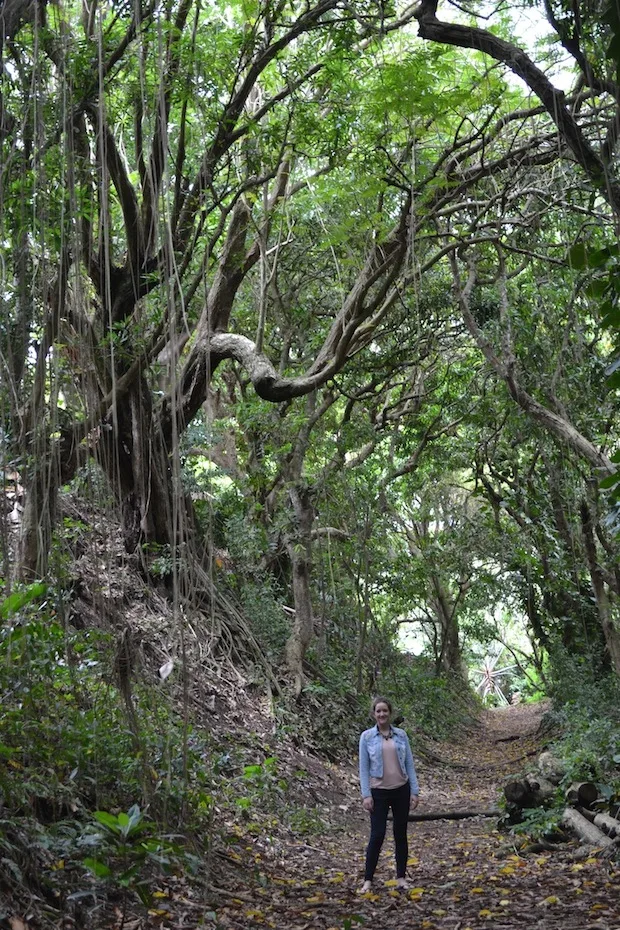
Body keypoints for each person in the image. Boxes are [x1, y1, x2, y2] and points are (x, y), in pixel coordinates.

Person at [358, 696, 419, 893]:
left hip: (401, 789)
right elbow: (363, 768)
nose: (382, 714)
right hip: (378, 792)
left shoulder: (401, 735)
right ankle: (368, 880)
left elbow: (409, 764)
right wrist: (366, 795)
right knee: (377, 835)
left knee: (400, 834)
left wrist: (415, 792)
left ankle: (401, 877)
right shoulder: (366, 737)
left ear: (390, 713)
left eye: (385, 711)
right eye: (378, 711)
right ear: (374, 714)